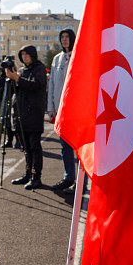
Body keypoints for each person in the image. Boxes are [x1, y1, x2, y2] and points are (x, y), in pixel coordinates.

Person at [6, 45, 48, 189]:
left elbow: (37, 85)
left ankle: (37, 177)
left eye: (26, 54)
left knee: (34, 147)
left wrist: (17, 79)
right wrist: (11, 79)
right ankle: (28, 174)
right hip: (21, 114)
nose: (24, 57)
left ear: (32, 54)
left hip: (34, 114)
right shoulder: (22, 70)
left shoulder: (39, 69)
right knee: (25, 148)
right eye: (22, 54)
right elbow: (16, 90)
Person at [47, 29, 77, 191]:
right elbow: (52, 84)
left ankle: (81, 183)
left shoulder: (79, 56)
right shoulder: (57, 59)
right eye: (62, 37)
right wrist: (51, 108)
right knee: (65, 147)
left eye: (67, 37)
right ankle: (68, 178)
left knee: (78, 148)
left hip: (76, 111)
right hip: (60, 110)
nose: (64, 40)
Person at [0, 65, 17, 148]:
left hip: (13, 100)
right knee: (5, 120)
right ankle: (9, 140)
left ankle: (18, 141)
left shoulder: (14, 77)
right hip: (1, 100)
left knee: (15, 121)